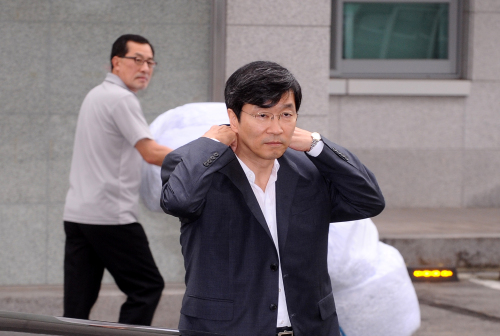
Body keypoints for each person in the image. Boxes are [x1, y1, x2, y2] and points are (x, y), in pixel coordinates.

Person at [160, 61, 385, 336]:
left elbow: (369, 200)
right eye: (262, 115)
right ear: (234, 118)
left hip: (311, 327)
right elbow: (179, 201)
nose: (276, 128)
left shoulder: (310, 170)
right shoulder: (200, 168)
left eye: (286, 114)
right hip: (224, 329)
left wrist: (318, 145)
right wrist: (210, 143)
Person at [63, 34, 172, 326]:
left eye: (150, 62)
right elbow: (150, 152)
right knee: (147, 287)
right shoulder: (122, 98)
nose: (145, 68)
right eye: (137, 60)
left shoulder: (95, 94)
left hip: (78, 215)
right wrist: (202, 157)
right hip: (111, 217)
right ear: (116, 62)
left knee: (75, 310)